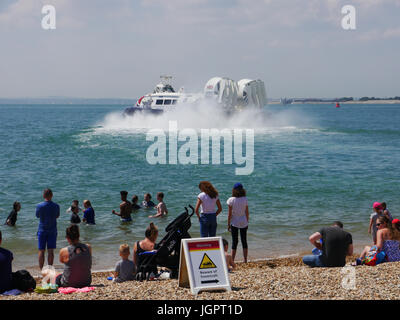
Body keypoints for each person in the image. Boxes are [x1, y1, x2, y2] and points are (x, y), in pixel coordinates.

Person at [36, 188, 60, 270]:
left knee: (41, 251)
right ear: (52, 195)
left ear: (43, 195)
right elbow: (57, 216)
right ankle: (50, 268)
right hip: (52, 230)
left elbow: (37, 216)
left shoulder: (39, 206)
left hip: (42, 230)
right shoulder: (56, 206)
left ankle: (41, 269)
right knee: (50, 251)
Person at [227, 183, 249, 263]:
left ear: (234, 190)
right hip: (243, 222)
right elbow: (247, 212)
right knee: (244, 241)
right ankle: (245, 259)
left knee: (234, 241)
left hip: (234, 222)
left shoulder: (231, 200)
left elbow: (229, 214)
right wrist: (247, 222)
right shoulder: (245, 199)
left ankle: (232, 260)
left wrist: (228, 224)